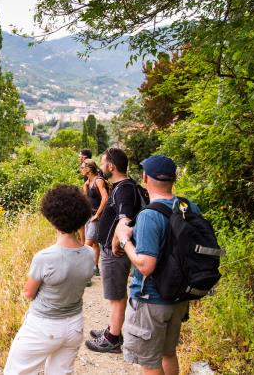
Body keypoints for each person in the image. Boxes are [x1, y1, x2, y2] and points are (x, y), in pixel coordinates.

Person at [115, 155, 196, 375]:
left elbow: (145, 265)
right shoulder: (188, 207)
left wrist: (124, 239)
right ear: (173, 180)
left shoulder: (149, 215)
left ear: (144, 177)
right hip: (179, 297)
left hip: (151, 301)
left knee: (149, 363)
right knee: (168, 353)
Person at [4, 184, 95, 374]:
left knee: (16, 370)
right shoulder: (88, 254)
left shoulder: (45, 257)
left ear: (52, 217)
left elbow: (29, 293)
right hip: (74, 326)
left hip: (44, 326)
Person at [86, 147, 142, 353]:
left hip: (114, 251)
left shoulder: (124, 189)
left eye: (103, 164)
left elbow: (124, 218)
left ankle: (113, 338)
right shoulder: (122, 186)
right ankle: (113, 328)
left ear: (111, 166)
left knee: (116, 295)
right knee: (114, 294)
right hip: (111, 248)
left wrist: (117, 240)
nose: (101, 168)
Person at [80, 158, 108, 276]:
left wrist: (97, 215)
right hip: (89, 215)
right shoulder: (89, 182)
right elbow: (87, 199)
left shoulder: (98, 181)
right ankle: (95, 267)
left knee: (87, 246)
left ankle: (85, 275)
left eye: (82, 167)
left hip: (95, 217)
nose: (80, 169)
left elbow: (105, 198)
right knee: (95, 244)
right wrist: (85, 187)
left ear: (89, 169)